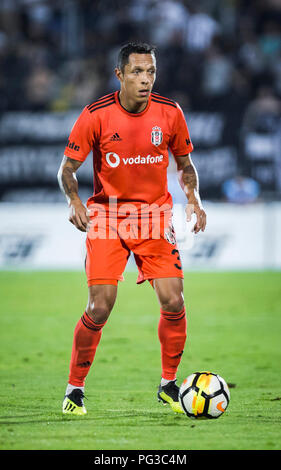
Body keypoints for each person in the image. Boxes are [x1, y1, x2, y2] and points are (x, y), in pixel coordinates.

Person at [57, 42, 206, 416]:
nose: (145, 79)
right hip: (107, 217)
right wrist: (74, 202)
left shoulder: (170, 113)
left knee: (174, 300)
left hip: (155, 217)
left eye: (151, 72)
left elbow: (186, 166)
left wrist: (194, 198)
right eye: (137, 72)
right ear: (119, 75)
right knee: (99, 306)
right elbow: (67, 170)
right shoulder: (96, 115)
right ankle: (74, 390)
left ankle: (169, 385)